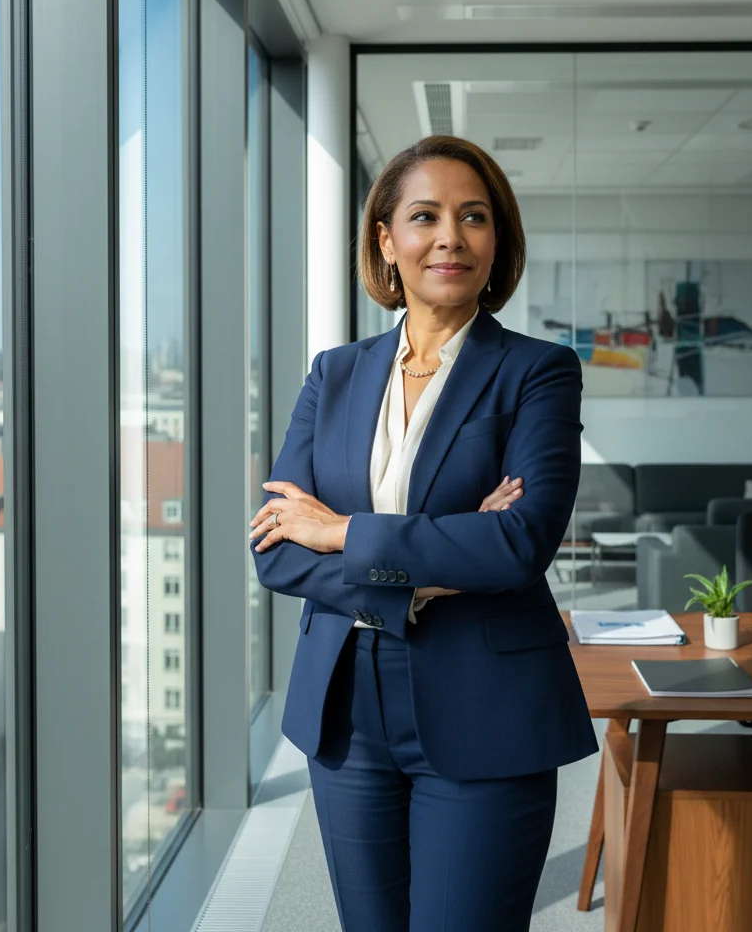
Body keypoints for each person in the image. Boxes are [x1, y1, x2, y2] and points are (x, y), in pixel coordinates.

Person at [249, 135, 596, 931]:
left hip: (485, 704)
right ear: (386, 239)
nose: (451, 236)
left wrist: (342, 533)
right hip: (347, 713)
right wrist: (435, 562)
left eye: (474, 217)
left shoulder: (538, 371)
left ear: (496, 240)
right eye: (425, 216)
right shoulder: (334, 375)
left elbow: (519, 544)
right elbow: (275, 549)